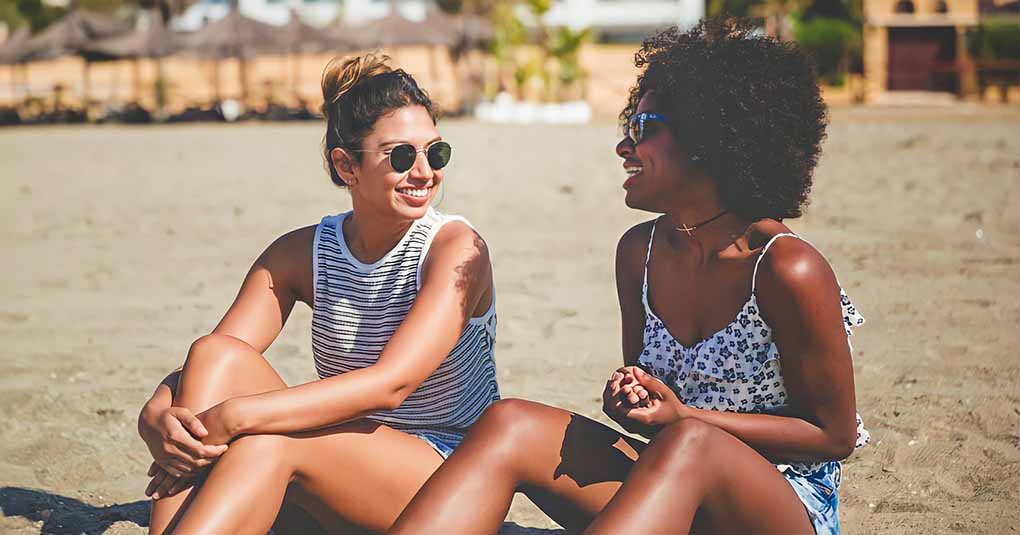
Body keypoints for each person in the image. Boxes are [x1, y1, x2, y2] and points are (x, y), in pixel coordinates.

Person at [388, 19, 868, 535]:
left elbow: (833, 436)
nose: (623, 147)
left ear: (708, 141)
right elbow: (655, 406)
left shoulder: (785, 268)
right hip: (672, 476)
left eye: (643, 129)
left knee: (693, 444)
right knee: (511, 422)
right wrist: (635, 402)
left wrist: (686, 419)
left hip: (780, 504)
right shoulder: (639, 253)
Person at [135, 53, 499, 534]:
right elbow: (209, 369)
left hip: (448, 473)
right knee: (214, 353)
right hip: (344, 460)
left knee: (270, 439)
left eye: (436, 153)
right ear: (346, 166)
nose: (425, 172)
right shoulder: (302, 252)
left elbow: (391, 385)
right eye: (402, 156)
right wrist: (157, 415)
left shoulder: (455, 248)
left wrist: (237, 417)